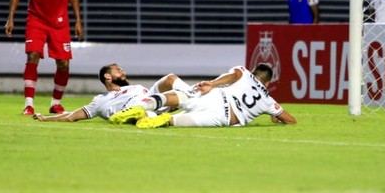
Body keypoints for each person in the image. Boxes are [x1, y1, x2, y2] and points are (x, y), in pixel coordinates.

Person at [4, 0, 84, 116]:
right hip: (36, 19)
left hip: (60, 22)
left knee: (63, 63)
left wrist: (78, 20)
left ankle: (56, 103)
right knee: (32, 55)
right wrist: (11, 17)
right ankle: (29, 104)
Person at [108, 63, 298, 129]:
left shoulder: (245, 72)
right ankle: (156, 118)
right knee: (173, 120)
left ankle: (145, 107)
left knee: (183, 96)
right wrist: (276, 117)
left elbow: (233, 76)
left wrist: (212, 84)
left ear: (254, 72)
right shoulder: (268, 100)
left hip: (216, 96)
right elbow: (291, 121)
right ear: (267, 83)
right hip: (223, 117)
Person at [32, 63, 192, 124]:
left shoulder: (135, 87)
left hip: (152, 98)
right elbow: (71, 116)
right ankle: (155, 117)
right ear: (107, 76)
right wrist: (46, 118)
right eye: (117, 69)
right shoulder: (100, 100)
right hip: (132, 108)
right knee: (138, 112)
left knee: (170, 79)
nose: (122, 70)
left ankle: (194, 98)